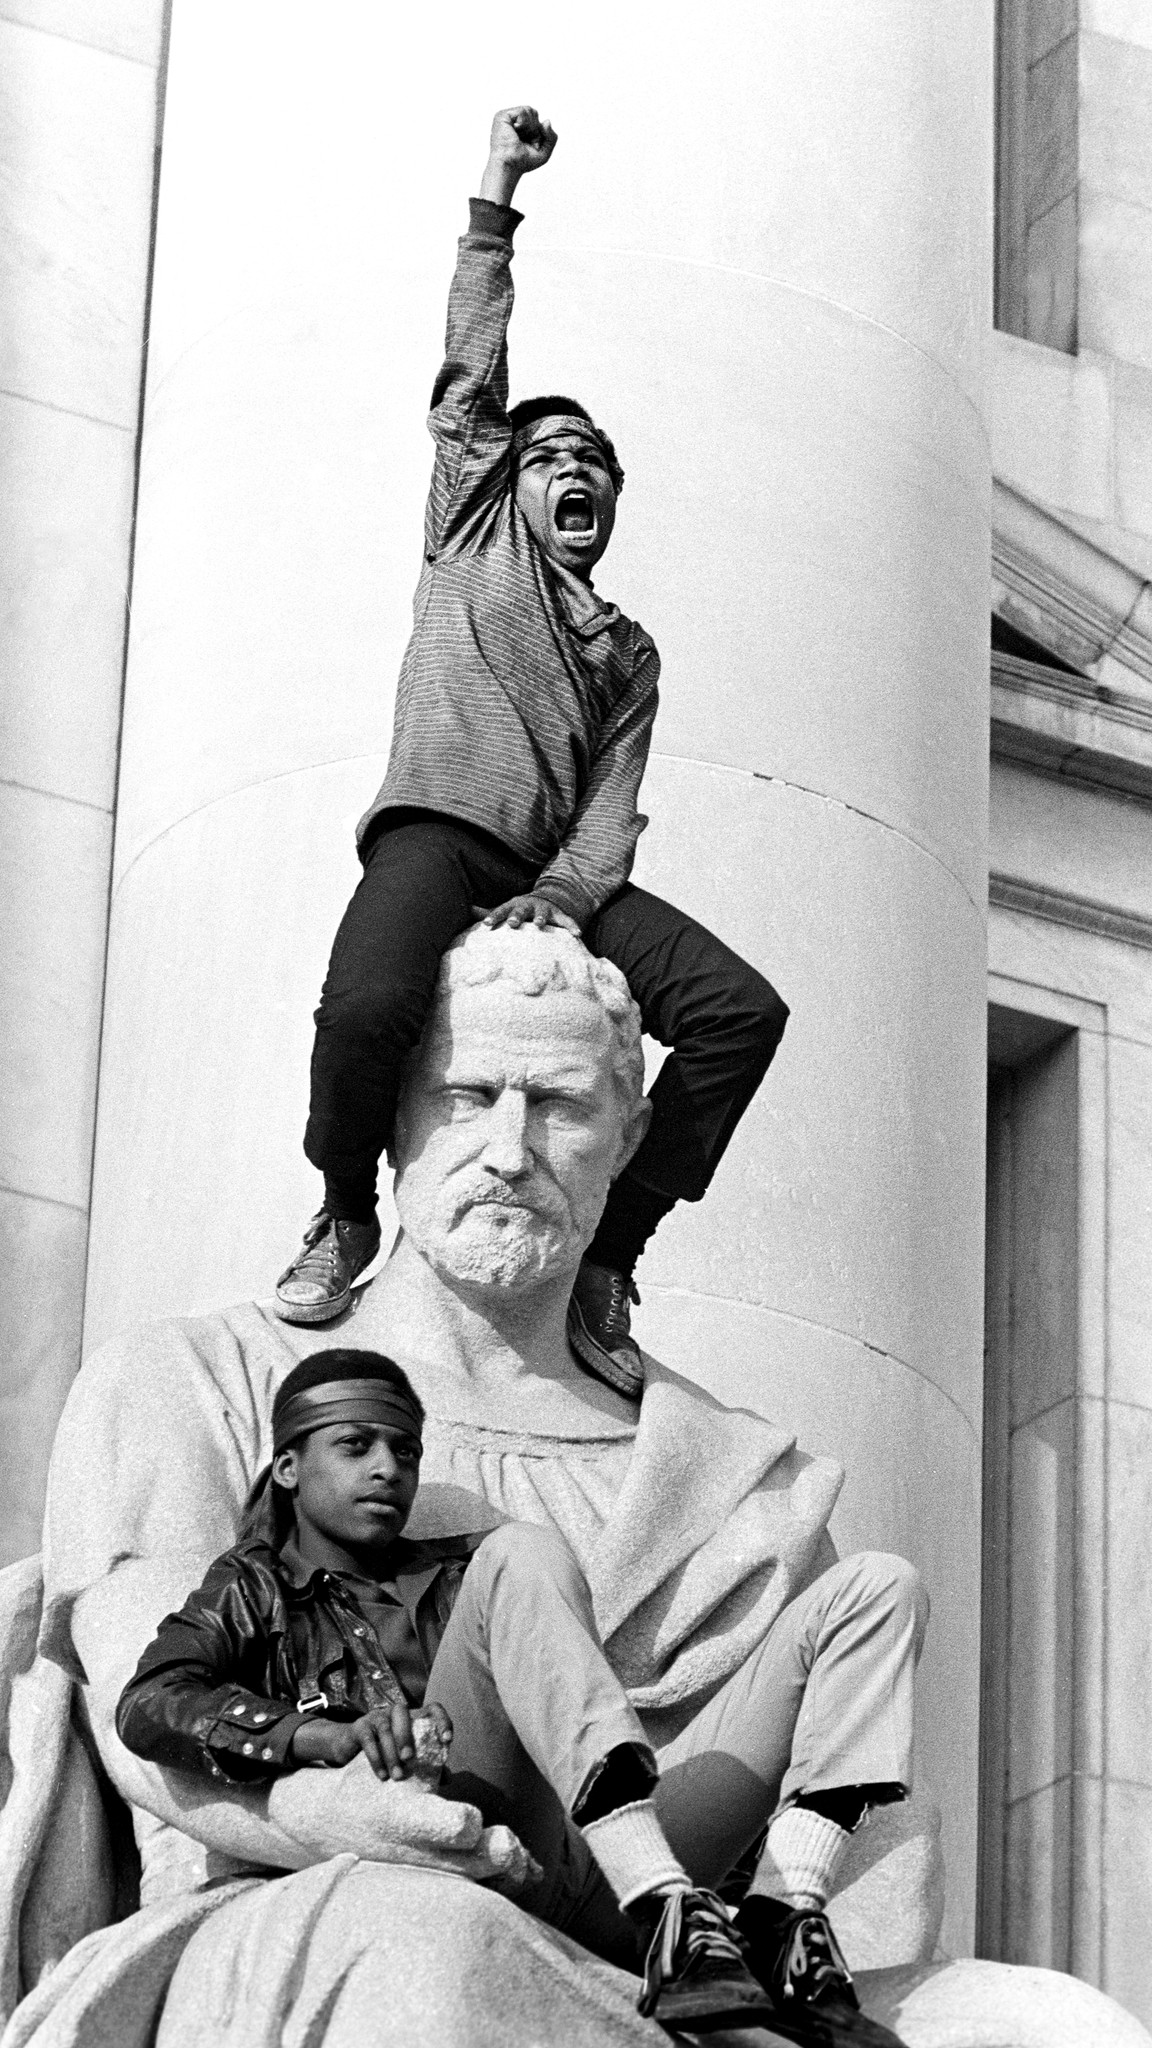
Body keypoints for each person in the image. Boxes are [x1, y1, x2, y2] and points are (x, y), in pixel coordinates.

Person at [274, 105, 788, 1397]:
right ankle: (342, 1210)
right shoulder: (470, 528)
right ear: (505, 475)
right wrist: (497, 195)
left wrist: (562, 897)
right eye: (555, 455)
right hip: (441, 835)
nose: (580, 475)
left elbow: (614, 806)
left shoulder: (628, 649)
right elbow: (471, 368)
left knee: (740, 1012)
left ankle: (614, 1252)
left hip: (560, 882)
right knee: (368, 1006)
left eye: (598, 467)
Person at [115, 1348, 776, 2036]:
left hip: (583, 1862)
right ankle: (665, 1903)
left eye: (406, 1451)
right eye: (355, 1446)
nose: (388, 1469)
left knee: (847, 1605)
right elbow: (150, 1701)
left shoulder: (465, 1572)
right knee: (520, 1548)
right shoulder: (255, 1587)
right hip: (461, 1834)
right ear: (288, 1468)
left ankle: (747, 1913)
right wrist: (317, 1736)